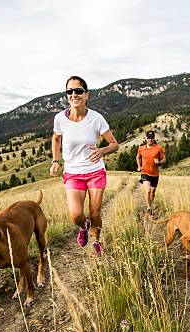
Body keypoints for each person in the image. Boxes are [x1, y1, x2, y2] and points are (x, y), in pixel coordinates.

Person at [49, 75, 119, 256]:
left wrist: (102, 151)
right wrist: (55, 160)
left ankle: (97, 240)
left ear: (86, 95)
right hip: (72, 173)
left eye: (78, 91)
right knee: (75, 215)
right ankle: (83, 226)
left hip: (95, 171)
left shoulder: (96, 119)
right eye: (70, 91)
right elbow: (56, 138)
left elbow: (114, 144)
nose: (74, 94)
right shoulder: (60, 119)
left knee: (95, 213)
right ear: (67, 95)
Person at [136, 130, 165, 216]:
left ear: (154, 139)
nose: (150, 139)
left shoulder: (158, 148)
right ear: (146, 138)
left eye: (152, 138)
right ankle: (149, 208)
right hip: (145, 173)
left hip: (155, 174)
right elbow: (138, 157)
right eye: (148, 137)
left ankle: (149, 205)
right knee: (148, 191)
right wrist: (139, 166)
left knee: (152, 193)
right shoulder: (141, 148)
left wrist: (159, 162)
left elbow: (164, 159)